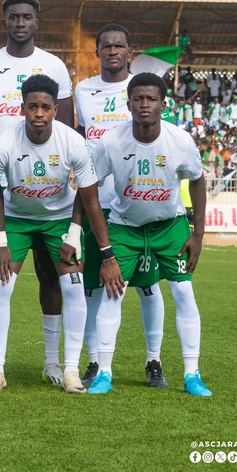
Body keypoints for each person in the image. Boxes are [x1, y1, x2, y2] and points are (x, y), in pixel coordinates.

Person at [0, 74, 110, 393]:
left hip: (59, 220)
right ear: (22, 109)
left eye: (45, 107)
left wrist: (74, 231)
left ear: (55, 109)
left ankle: (69, 370)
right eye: (32, 107)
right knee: (1, 288)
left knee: (74, 287)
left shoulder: (73, 142)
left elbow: (89, 197)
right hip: (15, 219)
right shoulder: (3, 144)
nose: (38, 113)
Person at [0, 0, 73, 384]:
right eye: (14, 17)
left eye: (27, 17)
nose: (21, 23)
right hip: (0, 195)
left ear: (36, 21)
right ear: (5, 20)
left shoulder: (54, 66)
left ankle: (52, 362)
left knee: (51, 277)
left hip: (48, 194)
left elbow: (68, 129)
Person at [87, 72, 212, 397]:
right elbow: (89, 190)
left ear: (162, 104)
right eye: (138, 99)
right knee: (113, 293)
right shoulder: (111, 141)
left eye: (151, 99)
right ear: (128, 103)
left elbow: (197, 181)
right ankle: (104, 373)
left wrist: (197, 234)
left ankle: (191, 374)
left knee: (184, 294)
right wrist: (99, 248)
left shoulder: (180, 140)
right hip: (125, 228)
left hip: (170, 227)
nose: (144, 104)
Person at [73, 23, 167, 389]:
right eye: (106, 46)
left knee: (147, 286)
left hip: (138, 201)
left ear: (130, 51)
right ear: (97, 51)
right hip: (98, 202)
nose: (112, 51)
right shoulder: (82, 90)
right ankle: (95, 362)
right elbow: (81, 141)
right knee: (93, 287)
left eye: (119, 46)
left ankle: (153, 360)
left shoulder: (144, 90)